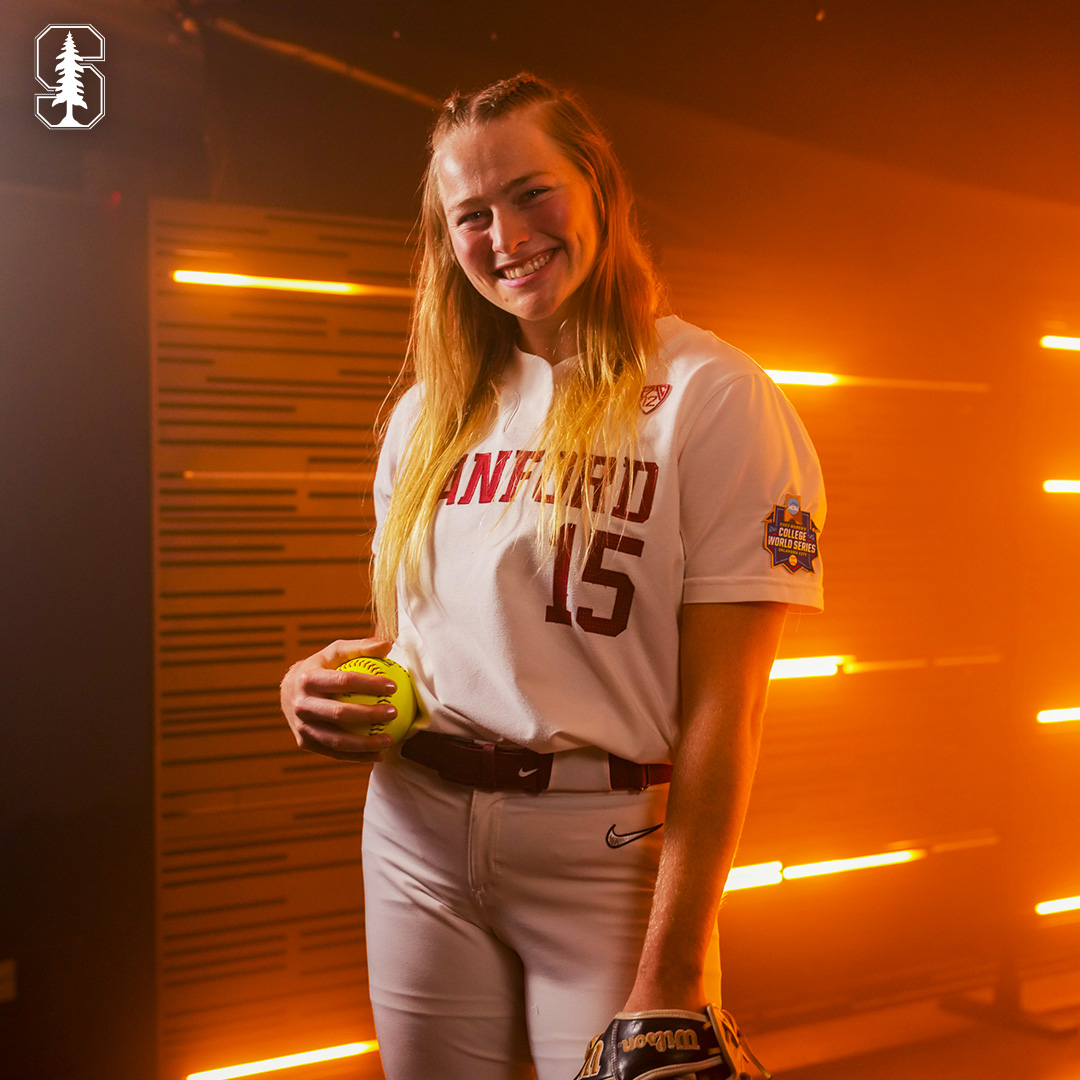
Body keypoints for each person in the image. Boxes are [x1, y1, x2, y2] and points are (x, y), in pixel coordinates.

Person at [279, 73, 825, 1080]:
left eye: (534, 192)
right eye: (472, 214)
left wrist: (675, 970)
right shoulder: (426, 415)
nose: (506, 234)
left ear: (600, 189)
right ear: (447, 240)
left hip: (608, 851)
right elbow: (416, 644)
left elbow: (726, 710)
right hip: (412, 831)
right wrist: (313, 684)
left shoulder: (712, 397)